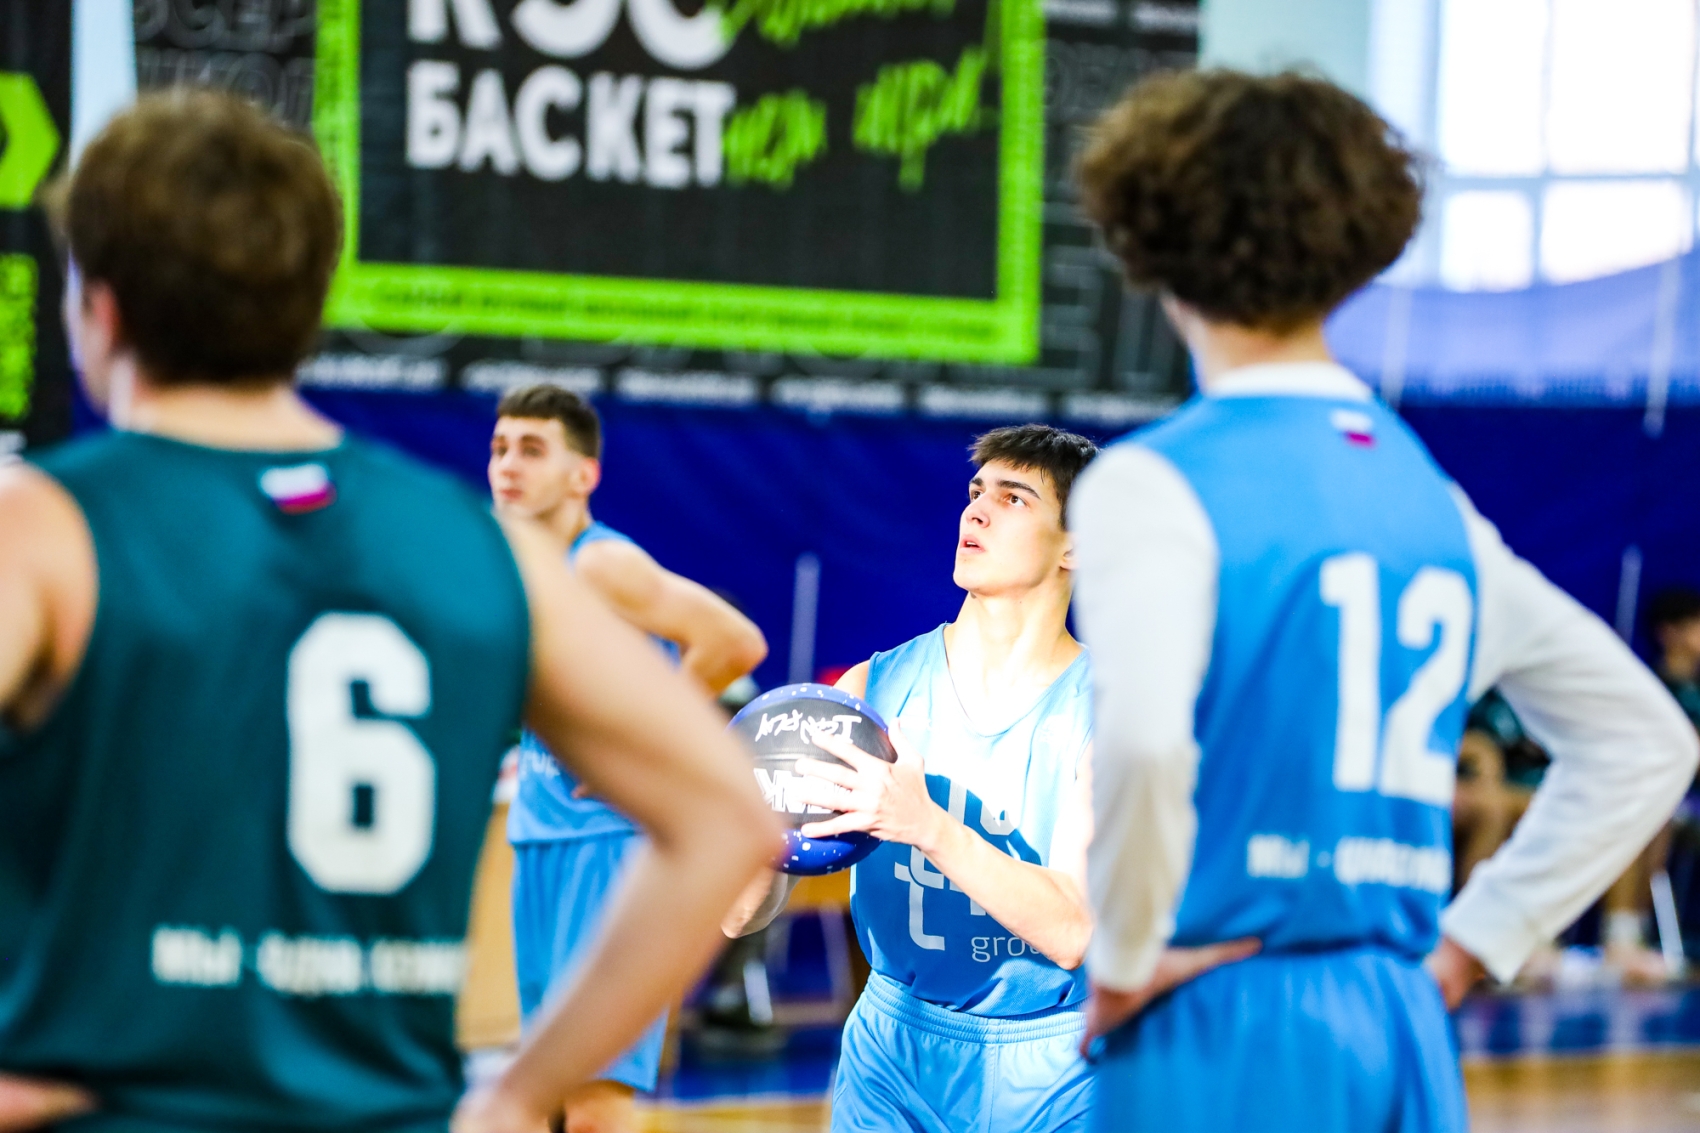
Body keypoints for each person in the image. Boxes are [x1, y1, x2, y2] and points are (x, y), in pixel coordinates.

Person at [0, 90, 779, 1133]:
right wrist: (516, 1092)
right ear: (309, 303)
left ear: (100, 306)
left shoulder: (45, 526)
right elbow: (727, 816)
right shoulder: (484, 549)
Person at [1069, 70, 1700, 1132]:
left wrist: (1124, 957)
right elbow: (1648, 740)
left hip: (1218, 1005)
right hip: (1398, 1013)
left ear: (1155, 249)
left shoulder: (1153, 480)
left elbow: (1141, 742)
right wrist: (1472, 943)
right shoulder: (1432, 501)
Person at [727, 425, 1127, 1133]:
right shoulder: (869, 692)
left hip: (1055, 1062)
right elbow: (740, 916)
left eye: (1013, 498)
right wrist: (756, 831)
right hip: (893, 1048)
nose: (977, 511)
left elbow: (1074, 931)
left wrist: (926, 825)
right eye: (977, 492)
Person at [488, 384, 767, 1133]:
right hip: (541, 837)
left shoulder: (601, 561)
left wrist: (641, 738)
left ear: (582, 474)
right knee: (544, 1096)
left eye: (532, 449)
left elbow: (734, 641)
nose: (508, 465)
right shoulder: (522, 566)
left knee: (596, 1102)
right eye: (500, 447)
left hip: (606, 845)